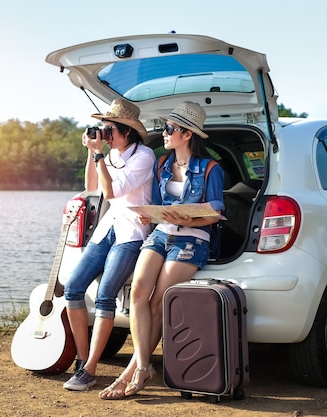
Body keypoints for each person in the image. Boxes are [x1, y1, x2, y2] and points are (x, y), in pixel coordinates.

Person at [99, 101, 225, 399]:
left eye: (169, 129)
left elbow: (216, 214)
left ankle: (132, 371)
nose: (164, 133)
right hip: (161, 234)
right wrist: (149, 215)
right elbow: (156, 205)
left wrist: (188, 217)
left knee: (159, 301)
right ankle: (144, 366)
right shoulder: (161, 165)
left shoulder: (210, 168)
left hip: (193, 238)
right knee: (139, 293)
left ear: (186, 134)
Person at [62, 98, 156, 391]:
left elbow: (113, 192)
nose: (104, 134)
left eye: (109, 129)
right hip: (109, 228)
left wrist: (100, 155)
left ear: (127, 131)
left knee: (105, 296)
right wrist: (92, 154)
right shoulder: (110, 154)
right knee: (73, 288)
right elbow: (92, 187)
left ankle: (90, 370)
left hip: (131, 233)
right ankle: (82, 360)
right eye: (102, 129)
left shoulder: (144, 156)